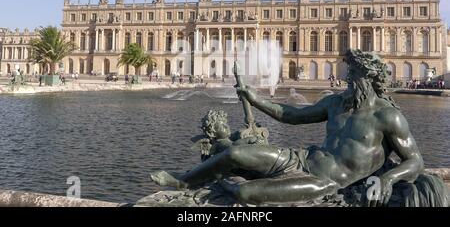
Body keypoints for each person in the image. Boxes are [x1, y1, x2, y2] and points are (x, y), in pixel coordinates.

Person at [151, 49, 425, 206]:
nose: (347, 79)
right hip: (301, 158)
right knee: (234, 155)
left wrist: (388, 178)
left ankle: (225, 183)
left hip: (323, 182)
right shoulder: (337, 103)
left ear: (369, 78)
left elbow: (415, 161)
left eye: (352, 75)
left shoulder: (388, 117)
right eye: (348, 74)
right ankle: (184, 181)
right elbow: (292, 115)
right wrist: (255, 98)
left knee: (246, 194)